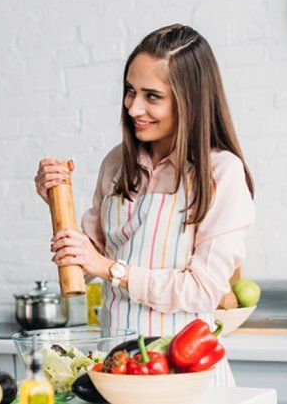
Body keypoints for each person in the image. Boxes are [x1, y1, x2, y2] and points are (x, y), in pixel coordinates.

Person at [34, 24, 255, 385]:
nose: (133, 107)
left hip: (185, 375)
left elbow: (202, 289)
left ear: (190, 101)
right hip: (117, 370)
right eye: (130, 91)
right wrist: (55, 202)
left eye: (152, 96)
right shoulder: (117, 164)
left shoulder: (222, 173)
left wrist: (113, 271)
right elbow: (87, 263)